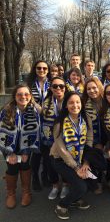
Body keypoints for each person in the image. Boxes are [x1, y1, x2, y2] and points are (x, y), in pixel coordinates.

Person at [50, 92, 93, 220]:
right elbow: (61, 149)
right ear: (66, 105)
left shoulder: (86, 118)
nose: (75, 105)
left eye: (78, 102)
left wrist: (86, 163)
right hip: (60, 159)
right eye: (71, 102)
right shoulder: (60, 122)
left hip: (79, 159)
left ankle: (75, 198)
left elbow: (89, 139)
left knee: (90, 183)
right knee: (81, 186)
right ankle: (61, 206)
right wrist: (76, 168)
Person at [0, 85, 40, 208]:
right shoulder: (6, 111)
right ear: (15, 96)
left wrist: (26, 152)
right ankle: (11, 194)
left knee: (25, 166)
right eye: (19, 94)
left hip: (27, 146)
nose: (23, 97)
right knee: (12, 168)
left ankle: (26, 192)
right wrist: (9, 153)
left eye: (26, 94)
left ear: (30, 96)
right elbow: (1, 133)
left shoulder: (34, 111)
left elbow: (35, 134)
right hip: (9, 146)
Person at [41, 77, 69, 200]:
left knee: (66, 163)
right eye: (55, 86)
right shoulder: (46, 101)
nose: (58, 88)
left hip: (67, 138)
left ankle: (66, 185)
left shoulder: (70, 100)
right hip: (49, 138)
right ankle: (55, 186)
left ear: (65, 88)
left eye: (61, 86)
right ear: (51, 88)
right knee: (50, 163)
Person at [27, 60, 50, 191]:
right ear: (35, 69)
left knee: (47, 152)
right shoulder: (29, 84)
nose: (42, 70)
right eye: (39, 68)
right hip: (33, 122)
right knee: (36, 153)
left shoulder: (52, 83)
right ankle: (35, 177)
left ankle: (45, 175)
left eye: (44, 68)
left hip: (48, 123)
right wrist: (36, 106)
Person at [82, 77, 106, 194]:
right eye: (89, 89)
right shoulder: (84, 104)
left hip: (109, 137)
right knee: (96, 157)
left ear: (99, 87)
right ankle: (98, 182)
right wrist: (95, 143)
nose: (92, 91)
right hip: (94, 137)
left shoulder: (107, 100)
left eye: (94, 88)